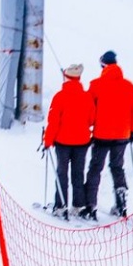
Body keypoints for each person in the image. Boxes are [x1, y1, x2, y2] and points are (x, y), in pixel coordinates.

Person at [85, 50, 133, 219]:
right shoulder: (128, 86)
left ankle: (91, 206)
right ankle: (121, 203)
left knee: (96, 168)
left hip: (101, 134)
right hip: (122, 136)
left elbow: (89, 110)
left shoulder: (96, 85)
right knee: (117, 167)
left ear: (103, 65)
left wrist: (89, 126)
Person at [41, 63, 93, 220]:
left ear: (66, 78)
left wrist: (47, 141)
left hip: (63, 142)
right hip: (82, 141)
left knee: (62, 173)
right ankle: (78, 204)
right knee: (78, 173)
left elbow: (53, 122)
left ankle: (60, 205)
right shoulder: (87, 97)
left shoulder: (60, 97)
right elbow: (92, 119)